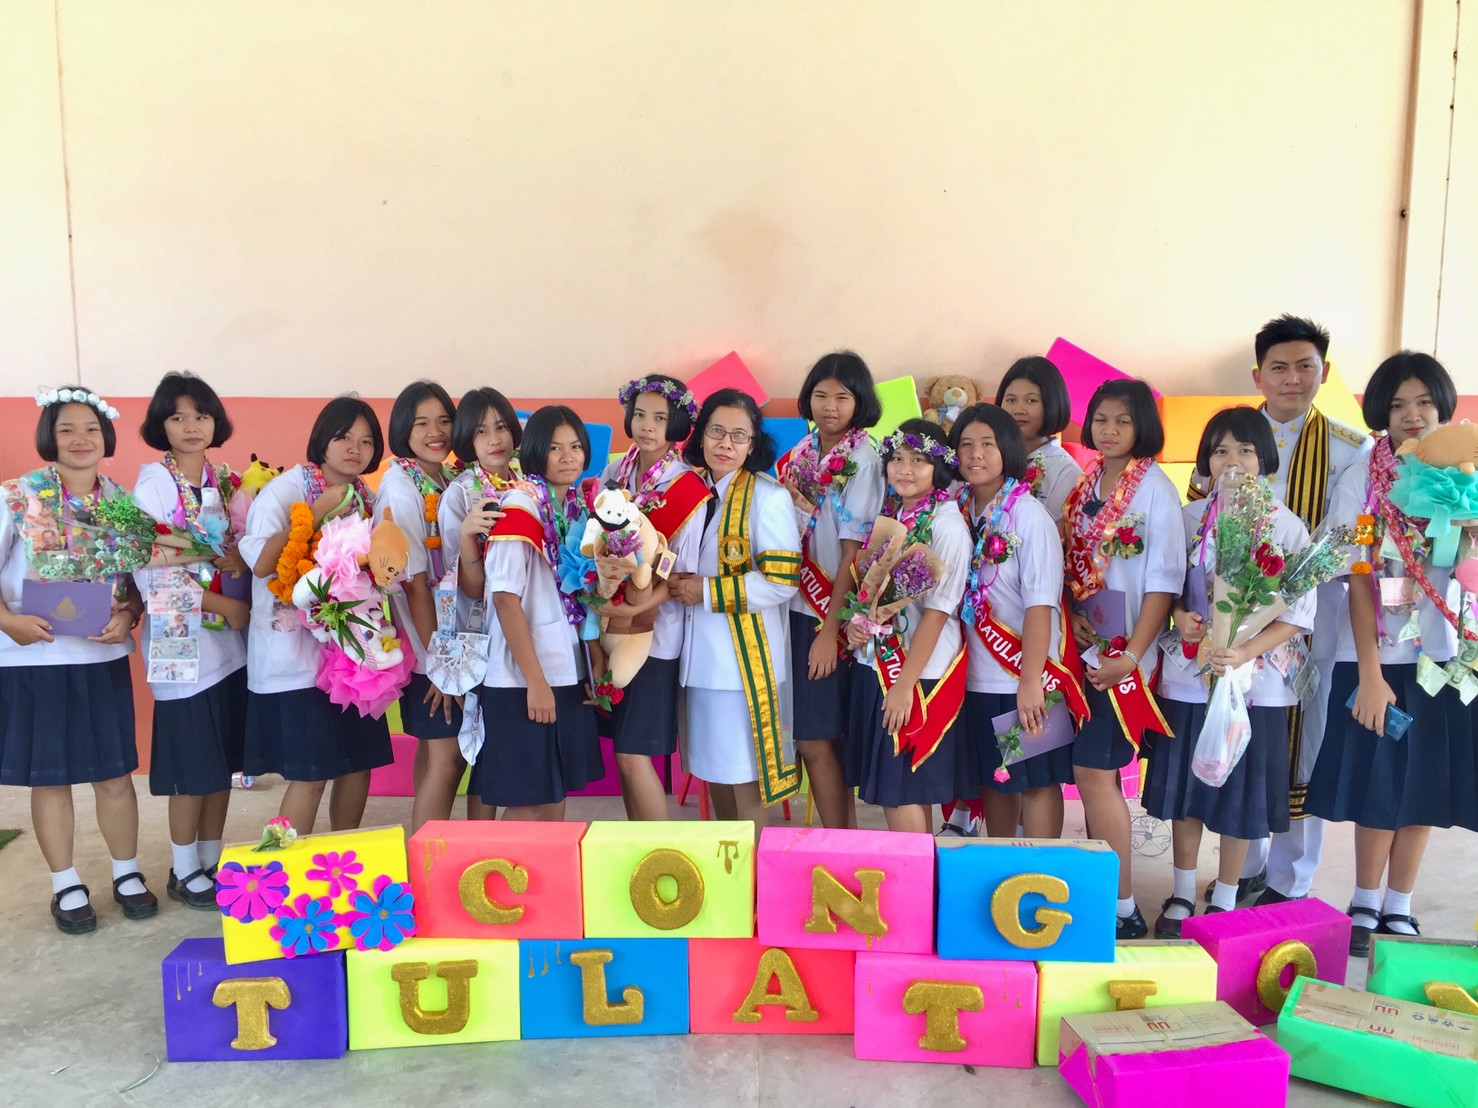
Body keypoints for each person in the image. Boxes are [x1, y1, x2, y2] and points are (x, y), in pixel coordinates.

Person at [1188, 315, 1371, 907]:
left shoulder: (1350, 448)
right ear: (1258, 375)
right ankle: (1243, 869)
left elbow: (1343, 538)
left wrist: (1275, 599)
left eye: (1305, 367)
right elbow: (1202, 517)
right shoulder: (1231, 437)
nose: (1292, 378)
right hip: (1227, 626)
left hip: (1307, 622)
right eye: (1279, 367)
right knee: (1243, 739)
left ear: (1324, 372)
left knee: (1299, 743)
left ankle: (1291, 878)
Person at [1306, 351, 1478, 955]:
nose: (1412, 414)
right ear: (1381, 411)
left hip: (1446, 657)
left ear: (1443, 405)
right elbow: (1358, 575)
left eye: (1424, 402)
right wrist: (1371, 675)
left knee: (1424, 782)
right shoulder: (1363, 479)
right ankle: (1364, 900)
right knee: (1377, 785)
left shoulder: (1465, 472)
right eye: (1399, 404)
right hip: (1378, 656)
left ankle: (1400, 905)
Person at [1144, 407, 1314, 937]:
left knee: (1242, 795)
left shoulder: (1286, 525)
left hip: (1257, 686)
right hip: (1189, 677)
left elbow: (1298, 614)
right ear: (1205, 461)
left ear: (1265, 459)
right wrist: (1180, 617)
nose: (1233, 461)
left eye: (1245, 450)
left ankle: (1225, 895)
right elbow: (1165, 587)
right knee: (1187, 792)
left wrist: (1244, 651)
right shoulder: (1187, 519)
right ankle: (1181, 891)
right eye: (1220, 451)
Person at [0, 387, 153, 932]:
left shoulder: (124, 505)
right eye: (66, 428)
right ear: (50, 436)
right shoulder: (16, 496)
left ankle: (127, 873)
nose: (80, 439)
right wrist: (8, 621)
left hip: (98, 659)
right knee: (52, 778)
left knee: (114, 773)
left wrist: (128, 615)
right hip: (33, 660)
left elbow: (138, 585)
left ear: (106, 436)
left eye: (91, 428)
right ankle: (65, 884)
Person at [1062, 378, 1186, 938]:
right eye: (1101, 419)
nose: (1109, 430)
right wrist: (1074, 615)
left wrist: (1132, 657)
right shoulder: (1087, 481)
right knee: (1091, 773)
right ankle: (1102, 893)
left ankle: (1123, 908)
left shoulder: (1155, 489)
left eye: (1123, 420)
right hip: (1086, 644)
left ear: (1144, 427)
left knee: (1096, 771)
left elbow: (1164, 582)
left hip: (1123, 656)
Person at [240, 396, 393, 834]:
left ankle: (342, 855)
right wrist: (318, 511)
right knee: (311, 774)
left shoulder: (367, 497)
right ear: (322, 439)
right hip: (297, 659)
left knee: (358, 765)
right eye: (344, 437)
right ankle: (283, 866)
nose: (355, 449)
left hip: (353, 657)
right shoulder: (286, 490)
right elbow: (262, 564)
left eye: (367, 441)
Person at [134, 372, 250, 908]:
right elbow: (151, 572)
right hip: (179, 643)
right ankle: (182, 870)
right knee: (189, 766)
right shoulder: (153, 486)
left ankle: (211, 858)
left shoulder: (225, 482)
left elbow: (238, 549)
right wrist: (225, 606)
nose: (191, 426)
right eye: (177, 417)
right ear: (161, 426)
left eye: (201, 415)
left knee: (221, 760)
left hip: (229, 648)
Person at [671, 388, 802, 832]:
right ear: (700, 435)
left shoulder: (767, 497)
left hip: (742, 664)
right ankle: (729, 862)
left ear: (752, 444)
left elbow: (782, 582)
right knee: (713, 775)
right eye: (717, 431)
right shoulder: (692, 491)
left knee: (746, 779)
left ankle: (754, 867)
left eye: (739, 435)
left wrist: (707, 592)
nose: (725, 444)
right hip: (699, 661)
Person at [952, 404, 1081, 838]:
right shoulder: (958, 510)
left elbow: (1041, 605)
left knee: (1038, 781)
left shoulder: (1028, 515)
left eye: (987, 444)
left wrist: (1030, 683)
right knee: (996, 780)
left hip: (1025, 675)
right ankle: (1004, 863)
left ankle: (1042, 868)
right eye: (966, 444)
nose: (975, 454)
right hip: (977, 675)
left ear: (1008, 448)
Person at [845, 418, 972, 833]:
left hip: (916, 674)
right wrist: (857, 626)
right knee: (895, 791)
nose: (905, 469)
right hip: (878, 665)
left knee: (901, 792)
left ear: (940, 466)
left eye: (918, 460)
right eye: (897, 458)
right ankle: (916, 870)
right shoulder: (894, 515)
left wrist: (903, 686)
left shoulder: (946, 525)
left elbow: (937, 614)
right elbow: (872, 594)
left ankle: (917, 874)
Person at [474, 406, 600, 820]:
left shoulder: (572, 509)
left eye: (575, 446)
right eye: (554, 448)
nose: (568, 457)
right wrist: (536, 683)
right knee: (527, 804)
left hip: (563, 670)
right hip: (522, 681)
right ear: (534, 451)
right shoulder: (520, 507)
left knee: (553, 797)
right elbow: (505, 599)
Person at [777, 352, 885, 828]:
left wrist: (828, 631)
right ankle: (843, 838)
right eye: (820, 395)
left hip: (829, 613)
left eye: (842, 396)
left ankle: (840, 839)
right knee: (817, 736)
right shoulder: (802, 452)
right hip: (793, 605)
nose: (830, 406)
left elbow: (853, 554)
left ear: (860, 402)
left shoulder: (863, 459)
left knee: (816, 738)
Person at [600, 374, 709, 820]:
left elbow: (683, 572)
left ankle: (659, 848)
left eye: (660, 418)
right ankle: (638, 842)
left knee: (634, 753)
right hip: (611, 626)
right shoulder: (615, 473)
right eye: (640, 414)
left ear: (676, 424)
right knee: (624, 755)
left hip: (656, 637)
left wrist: (638, 605)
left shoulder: (689, 487)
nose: (647, 426)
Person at [374, 380, 465, 832]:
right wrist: (440, 665)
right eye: (422, 423)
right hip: (428, 647)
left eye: (444, 421)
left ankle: (423, 853)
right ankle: (428, 859)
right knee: (448, 758)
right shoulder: (400, 488)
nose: (436, 432)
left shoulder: (443, 478)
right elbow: (413, 585)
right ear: (402, 430)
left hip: (447, 640)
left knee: (435, 753)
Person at [436, 386, 521, 816]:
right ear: (468, 440)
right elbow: (463, 586)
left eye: (501, 427)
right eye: (482, 431)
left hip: (525, 633)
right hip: (481, 639)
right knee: (483, 752)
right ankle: (479, 843)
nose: (494, 440)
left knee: (514, 752)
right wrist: (470, 535)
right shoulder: (460, 494)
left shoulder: (529, 483)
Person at [995, 355, 1083, 522]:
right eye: (1011, 400)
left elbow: (1054, 531)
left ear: (1052, 404)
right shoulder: (990, 456)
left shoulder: (1066, 471)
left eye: (1031, 400)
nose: (1018, 409)